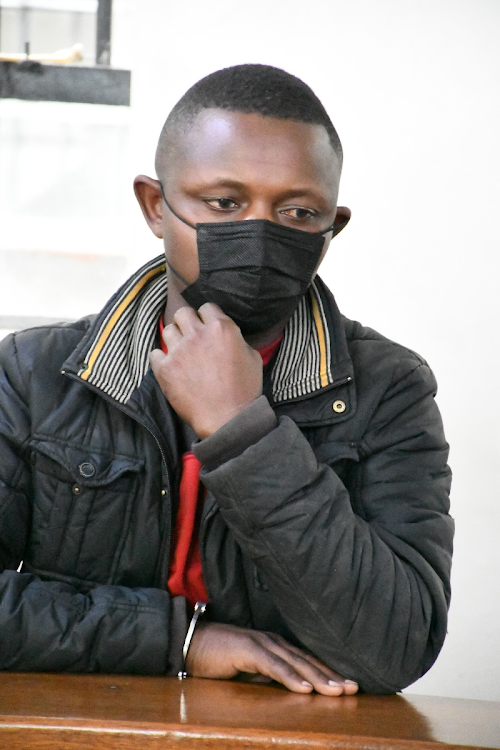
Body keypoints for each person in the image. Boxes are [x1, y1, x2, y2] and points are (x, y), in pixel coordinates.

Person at [0, 64, 453, 695]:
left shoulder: (389, 389)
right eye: (224, 203)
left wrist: (243, 431)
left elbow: (394, 648)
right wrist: (180, 640)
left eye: (298, 211)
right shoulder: (32, 375)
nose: (259, 234)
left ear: (331, 230)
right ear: (156, 206)